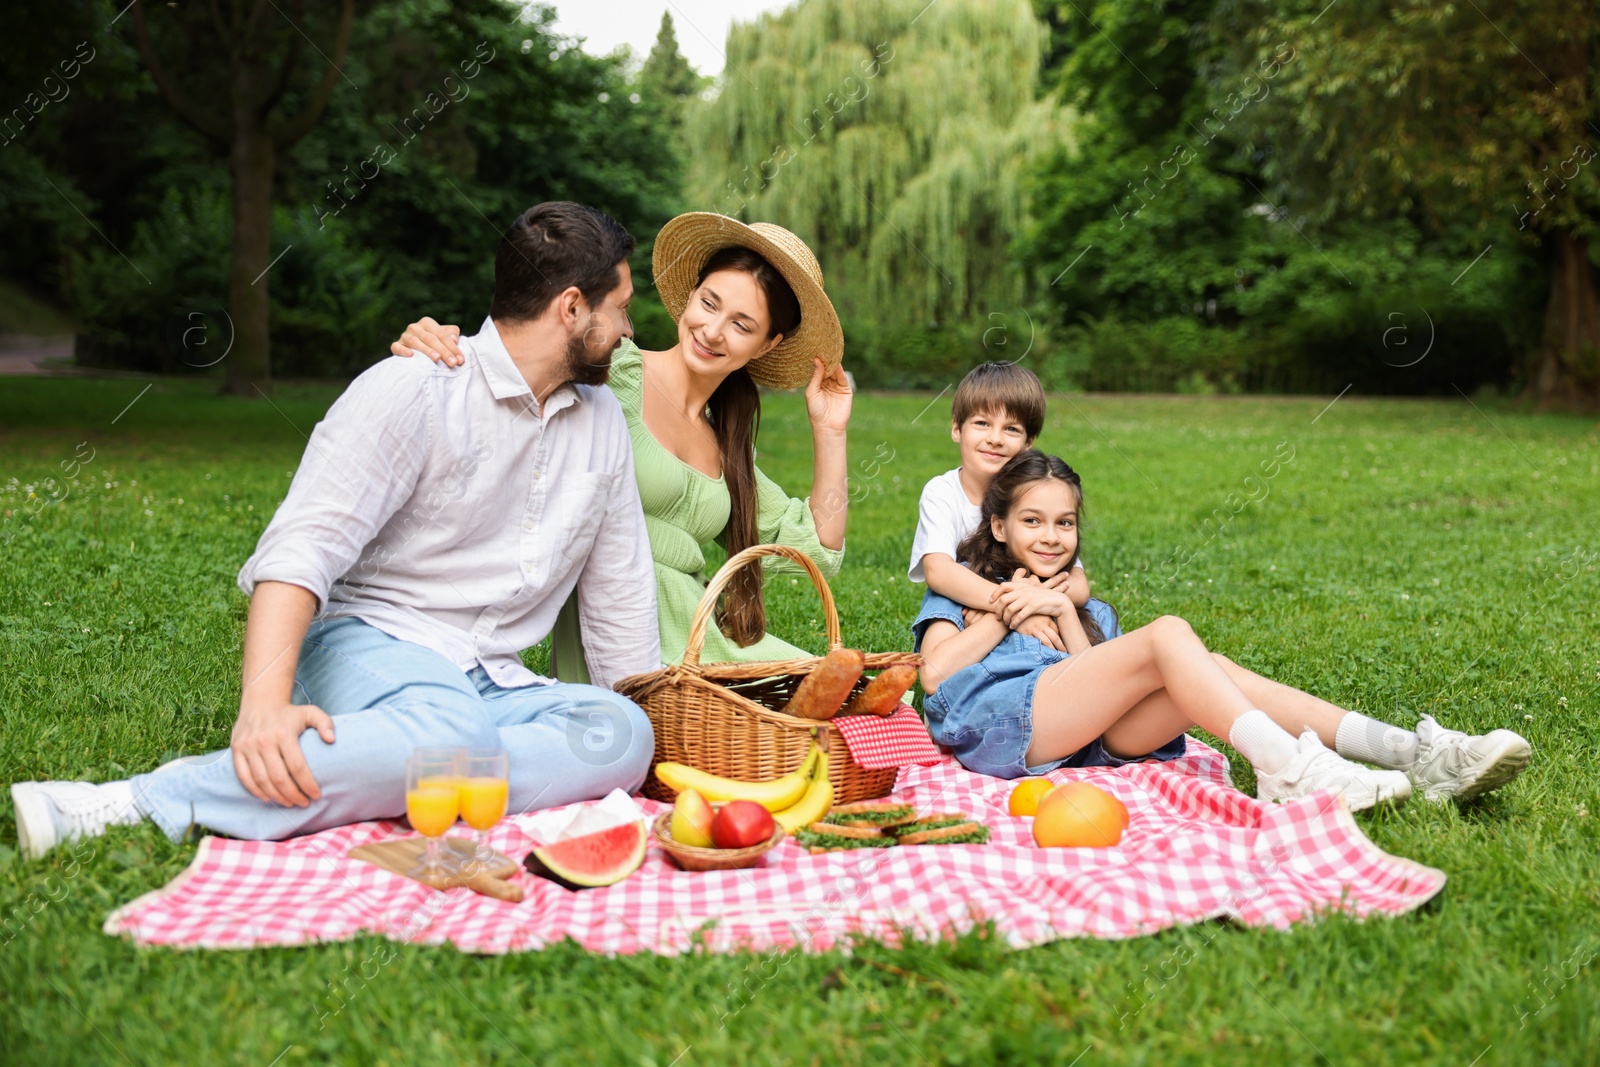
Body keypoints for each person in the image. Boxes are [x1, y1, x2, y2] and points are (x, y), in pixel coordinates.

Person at [10, 201, 661, 860]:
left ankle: (407, 765)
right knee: (452, 733)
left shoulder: (601, 420)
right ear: (572, 307)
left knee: (622, 733)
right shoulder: (414, 388)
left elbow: (620, 591)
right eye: (622, 308)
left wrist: (653, 738)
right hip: (369, 640)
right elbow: (301, 550)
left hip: (491, 679)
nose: (629, 331)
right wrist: (262, 707)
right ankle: (138, 799)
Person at [912, 450, 1532, 809]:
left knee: (1211, 667)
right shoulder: (960, 591)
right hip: (996, 730)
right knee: (1169, 634)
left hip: (1082, 741)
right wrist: (1003, 607)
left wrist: (1064, 613)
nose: (1051, 537)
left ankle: (1417, 754)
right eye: (1033, 521)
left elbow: (1089, 683)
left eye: (1065, 523)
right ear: (998, 527)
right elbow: (934, 678)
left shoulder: (1087, 607)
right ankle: (1287, 771)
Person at [391, 213, 854, 678]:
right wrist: (444, 341)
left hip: (698, 644)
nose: (713, 331)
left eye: (741, 325)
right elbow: (518, 361)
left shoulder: (725, 442)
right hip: (620, 642)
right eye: (709, 304)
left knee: (858, 703)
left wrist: (829, 431)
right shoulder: (615, 371)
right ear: (690, 296)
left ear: (767, 344)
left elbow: (817, 548)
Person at [908, 360, 1092, 652]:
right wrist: (1016, 609)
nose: (995, 439)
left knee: (1085, 617)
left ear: (1029, 441)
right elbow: (939, 572)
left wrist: (1032, 601)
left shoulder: (1037, 491)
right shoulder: (942, 492)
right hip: (964, 601)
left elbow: (1079, 584)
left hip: (1030, 594)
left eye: (1011, 429)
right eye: (982, 423)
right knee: (943, 601)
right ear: (957, 428)